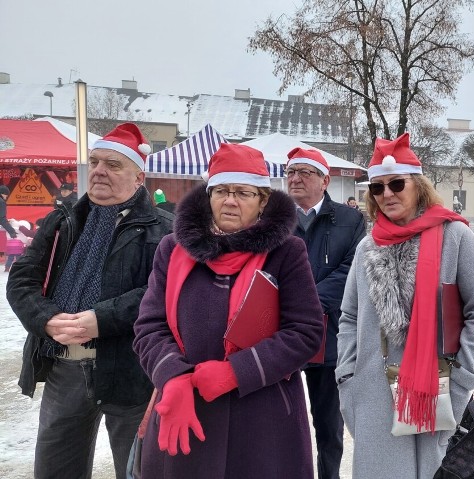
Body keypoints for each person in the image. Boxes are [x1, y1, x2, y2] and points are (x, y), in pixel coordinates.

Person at [133, 143, 324, 477]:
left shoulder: (287, 252)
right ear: (209, 196)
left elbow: (305, 333)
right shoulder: (172, 250)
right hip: (186, 410)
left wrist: (236, 371)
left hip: (263, 419)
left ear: (263, 200)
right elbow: (150, 325)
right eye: (221, 190)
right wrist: (171, 377)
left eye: (243, 193)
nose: (231, 200)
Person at [5, 123, 173, 478]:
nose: (99, 171)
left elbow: (163, 291)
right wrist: (46, 319)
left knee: (140, 470)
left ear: (138, 176)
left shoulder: (165, 230)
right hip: (63, 366)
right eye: (95, 161)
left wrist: (101, 318)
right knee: (55, 470)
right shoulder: (62, 221)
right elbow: (22, 280)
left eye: (113, 165)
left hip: (132, 371)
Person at [336, 132, 474, 478]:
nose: (387, 194)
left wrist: (462, 379)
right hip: (374, 394)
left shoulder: (456, 237)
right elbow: (348, 316)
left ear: (418, 184)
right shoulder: (367, 247)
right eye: (377, 187)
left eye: (396, 184)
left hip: (436, 391)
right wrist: (348, 376)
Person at [286, 147, 366, 479]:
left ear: (325, 180)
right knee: (284, 423)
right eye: (291, 172)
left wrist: (303, 304)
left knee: (328, 426)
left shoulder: (350, 219)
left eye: (305, 172)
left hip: (329, 338)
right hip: (282, 336)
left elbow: (350, 271)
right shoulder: (272, 219)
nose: (296, 178)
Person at [0, 184, 16, 262]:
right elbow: (2, 219)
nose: (6, 197)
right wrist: (12, 231)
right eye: (6, 195)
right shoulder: (1, 202)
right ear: (3, 193)